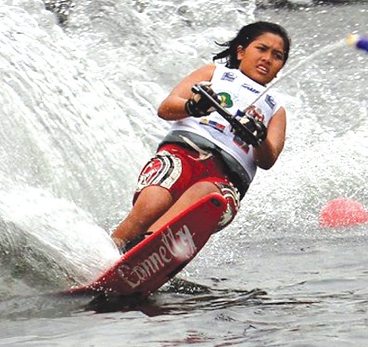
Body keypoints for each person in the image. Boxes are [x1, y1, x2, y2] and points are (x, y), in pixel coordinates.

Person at [111, 21, 291, 253]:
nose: (268, 58)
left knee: (206, 196)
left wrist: (258, 138)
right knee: (153, 201)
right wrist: (193, 106)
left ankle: (145, 247)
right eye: (261, 49)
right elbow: (166, 108)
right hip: (182, 155)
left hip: (226, 181)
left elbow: (269, 159)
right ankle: (114, 245)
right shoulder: (214, 74)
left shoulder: (275, 108)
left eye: (277, 56)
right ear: (240, 51)